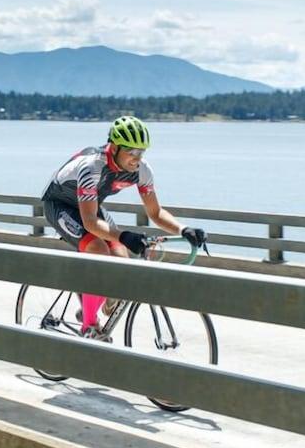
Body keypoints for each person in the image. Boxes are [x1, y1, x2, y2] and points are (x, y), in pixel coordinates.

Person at [40, 115, 208, 336]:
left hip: (90, 205)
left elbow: (155, 213)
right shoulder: (92, 166)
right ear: (115, 147)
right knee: (98, 249)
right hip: (60, 205)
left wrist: (183, 229)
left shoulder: (142, 170)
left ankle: (91, 303)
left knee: (122, 261)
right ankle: (89, 326)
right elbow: (90, 222)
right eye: (132, 151)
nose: (137, 158)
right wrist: (124, 235)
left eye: (142, 152)